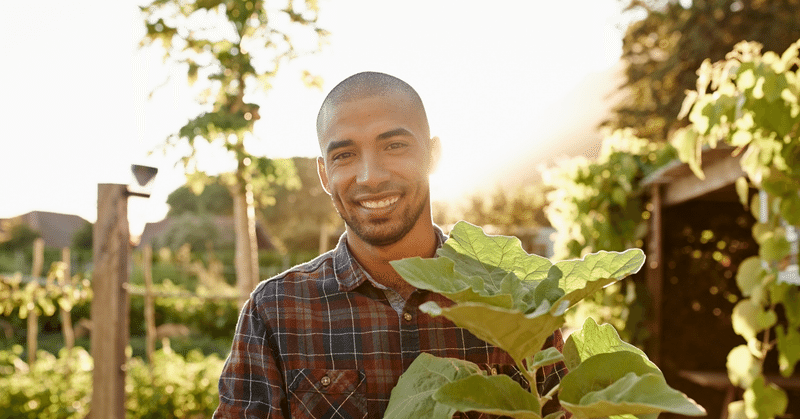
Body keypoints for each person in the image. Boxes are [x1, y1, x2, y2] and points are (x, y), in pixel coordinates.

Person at [213, 71, 568, 418]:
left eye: (394, 146)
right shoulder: (276, 311)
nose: (372, 176)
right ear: (324, 174)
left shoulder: (516, 299)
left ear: (433, 156)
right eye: (344, 155)